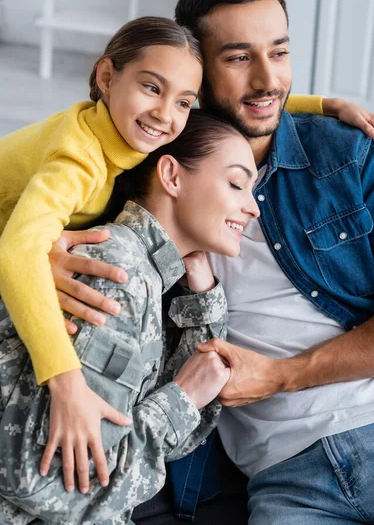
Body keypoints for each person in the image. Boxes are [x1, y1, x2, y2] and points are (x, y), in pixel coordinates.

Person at [54, 0, 374, 524]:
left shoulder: (349, 156)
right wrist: (38, 245)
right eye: (238, 58)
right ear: (198, 73)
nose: (268, 79)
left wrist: (285, 375)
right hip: (287, 481)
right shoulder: (137, 177)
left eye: (280, 52)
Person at [0, 110, 260, 525]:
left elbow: (172, 437)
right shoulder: (117, 273)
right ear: (171, 176)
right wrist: (183, 397)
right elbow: (47, 482)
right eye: (236, 183)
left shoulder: (149, 276)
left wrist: (202, 304)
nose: (253, 208)